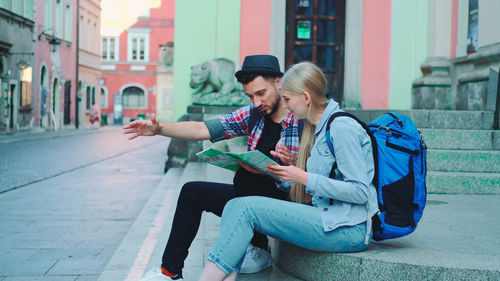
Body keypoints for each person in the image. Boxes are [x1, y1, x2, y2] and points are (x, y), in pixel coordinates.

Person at [123, 55, 302, 281]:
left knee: (254, 184)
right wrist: (159, 130)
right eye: (250, 96)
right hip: (249, 201)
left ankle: (258, 246)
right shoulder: (253, 115)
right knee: (192, 192)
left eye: (261, 93)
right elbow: (201, 129)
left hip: (284, 206)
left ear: (278, 81)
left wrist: (289, 167)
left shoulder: (300, 118)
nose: (256, 102)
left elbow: (314, 179)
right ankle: (170, 272)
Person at [197, 62, 379, 281]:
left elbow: (360, 192)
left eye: (287, 99)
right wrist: (284, 171)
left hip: (350, 229)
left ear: (306, 97)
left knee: (245, 208)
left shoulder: (341, 128)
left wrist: (303, 176)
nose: (284, 106)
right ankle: (223, 275)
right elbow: (316, 184)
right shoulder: (315, 127)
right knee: (234, 205)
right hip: (327, 217)